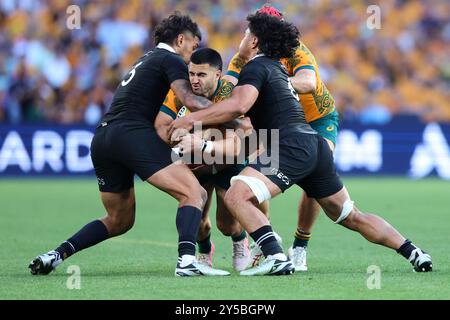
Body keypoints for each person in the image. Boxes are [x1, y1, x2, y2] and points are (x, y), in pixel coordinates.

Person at [169, 12, 433, 275]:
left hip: (289, 145)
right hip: (313, 144)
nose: (242, 38)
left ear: (254, 41)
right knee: (351, 215)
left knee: (238, 193)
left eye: (246, 33)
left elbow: (238, 106)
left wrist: (190, 120)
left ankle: (274, 255)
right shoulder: (275, 67)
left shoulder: (257, 67)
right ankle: (413, 252)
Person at [28, 13, 229, 277]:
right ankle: (187, 262)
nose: (193, 52)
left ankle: (57, 254)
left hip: (103, 137)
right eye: (193, 44)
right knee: (195, 193)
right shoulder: (170, 59)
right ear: (181, 39)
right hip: (131, 135)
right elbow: (190, 100)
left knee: (119, 220)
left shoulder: (145, 59)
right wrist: (232, 112)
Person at [226, 5, 339, 272]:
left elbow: (308, 82)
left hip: (318, 119)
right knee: (254, 170)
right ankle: (266, 239)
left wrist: (275, 82)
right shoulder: (244, 57)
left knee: (316, 182)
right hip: (276, 120)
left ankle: (300, 245)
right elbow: (229, 93)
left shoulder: (295, 49)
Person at [155, 47, 259, 271]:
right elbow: (161, 126)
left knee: (226, 224)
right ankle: (204, 250)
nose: (194, 80)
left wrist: (201, 143)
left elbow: (235, 147)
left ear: (217, 75)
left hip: (225, 163)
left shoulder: (231, 93)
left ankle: (240, 239)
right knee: (198, 224)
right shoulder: (180, 92)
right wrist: (174, 137)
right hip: (195, 166)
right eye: (191, 74)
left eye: (201, 75)